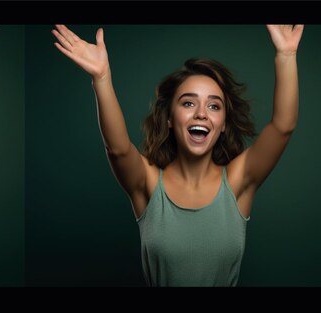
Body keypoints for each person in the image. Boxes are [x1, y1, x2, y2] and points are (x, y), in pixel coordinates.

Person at [52, 24, 304, 286]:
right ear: (170, 118)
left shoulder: (239, 181)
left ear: (224, 123)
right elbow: (117, 148)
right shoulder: (148, 183)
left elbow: (283, 127)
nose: (201, 113)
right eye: (188, 102)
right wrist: (102, 78)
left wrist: (286, 55)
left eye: (214, 106)